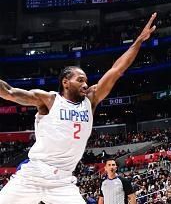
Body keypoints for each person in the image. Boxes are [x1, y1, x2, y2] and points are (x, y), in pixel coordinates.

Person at [0, 13, 157, 204]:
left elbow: (116, 70)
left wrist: (138, 41)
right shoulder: (49, 100)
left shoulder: (90, 100)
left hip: (63, 182)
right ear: (66, 82)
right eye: (80, 80)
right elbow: (9, 92)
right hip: (33, 175)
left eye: (86, 80)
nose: (85, 84)